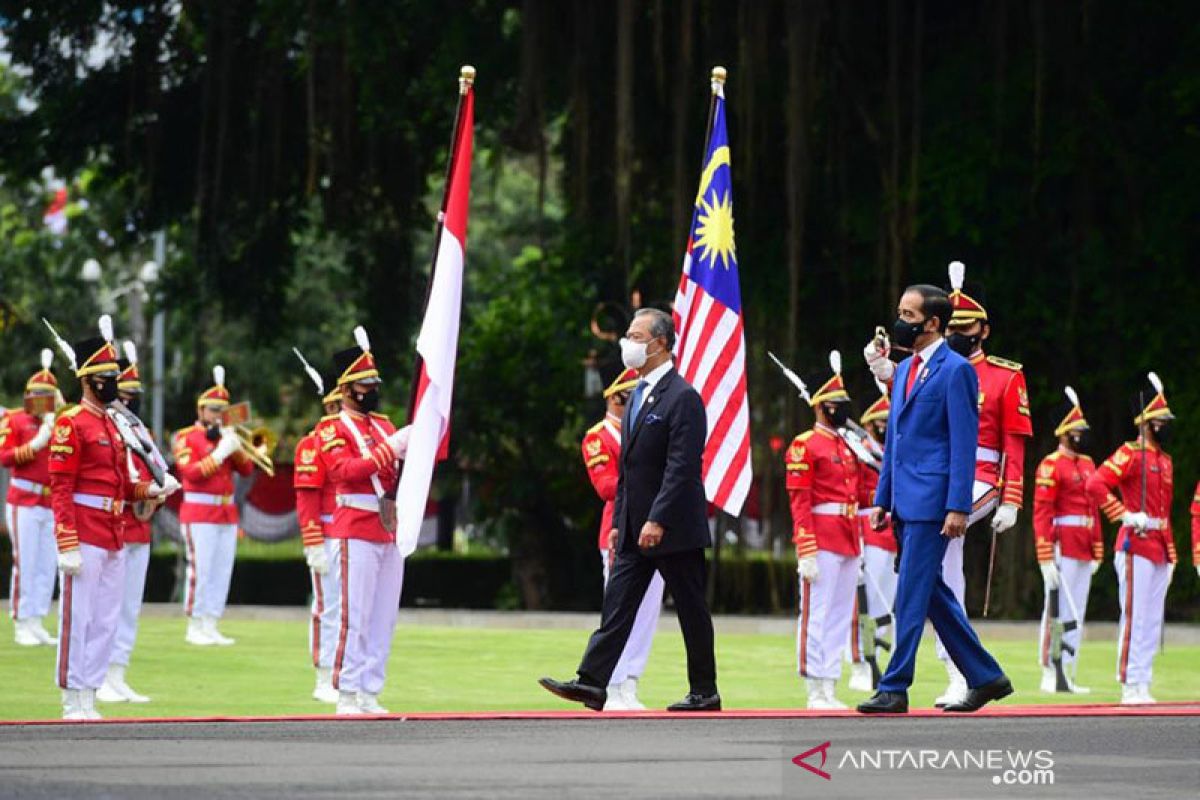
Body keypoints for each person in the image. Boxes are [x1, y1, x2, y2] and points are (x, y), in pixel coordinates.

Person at [540, 308, 719, 712]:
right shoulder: (637, 393)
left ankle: (704, 689)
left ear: (660, 344)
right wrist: (621, 521)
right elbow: (628, 469)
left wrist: (658, 518)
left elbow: (681, 467)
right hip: (634, 526)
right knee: (617, 605)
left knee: (691, 609)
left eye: (636, 336)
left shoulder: (683, 397)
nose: (628, 343)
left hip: (673, 526)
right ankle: (592, 682)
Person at [857, 285, 1011, 715]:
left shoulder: (956, 370)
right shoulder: (905, 370)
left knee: (910, 591)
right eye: (900, 311)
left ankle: (894, 686)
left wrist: (958, 506)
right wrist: (882, 498)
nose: (900, 320)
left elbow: (964, 444)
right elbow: (895, 444)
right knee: (930, 591)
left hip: (934, 500)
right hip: (905, 498)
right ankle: (985, 675)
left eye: (909, 314)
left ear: (933, 324)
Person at [48, 316, 178, 720]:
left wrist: (150, 490)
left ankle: (91, 690)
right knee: (79, 618)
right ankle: (72, 696)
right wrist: (67, 542)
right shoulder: (71, 423)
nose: (112, 382)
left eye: (113, 375)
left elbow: (121, 484)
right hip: (84, 531)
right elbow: (62, 487)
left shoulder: (113, 424)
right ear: (87, 379)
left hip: (113, 531)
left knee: (105, 619)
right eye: (104, 376)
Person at [930, 261, 1031, 706]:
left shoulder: (1006, 376)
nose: (957, 333)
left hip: (981, 478)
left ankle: (960, 671)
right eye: (952, 327)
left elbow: (1015, 443)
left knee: (944, 564)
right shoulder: (934, 369)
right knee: (937, 567)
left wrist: (1012, 499)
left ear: (983, 330)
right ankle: (957, 668)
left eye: (965, 327)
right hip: (939, 475)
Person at [315, 326, 411, 715]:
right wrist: (391, 449)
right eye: (365, 383)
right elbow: (344, 471)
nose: (373, 389)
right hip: (354, 526)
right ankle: (348, 692)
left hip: (388, 528)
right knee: (354, 615)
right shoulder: (331, 428)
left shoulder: (384, 424)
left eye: (375, 382)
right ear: (346, 390)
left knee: (384, 616)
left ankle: (371, 689)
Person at [1086, 372, 1176, 705]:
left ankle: (1144, 679)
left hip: (1160, 544)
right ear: (1148, 423)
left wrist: (1172, 553)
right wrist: (1123, 514)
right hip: (1135, 541)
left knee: (1153, 618)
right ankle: (1129, 683)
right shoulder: (1130, 453)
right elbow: (1095, 484)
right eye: (1161, 421)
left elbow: (1164, 510)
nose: (1166, 425)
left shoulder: (1164, 461)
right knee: (1134, 615)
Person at [580, 367, 665, 711]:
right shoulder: (599, 436)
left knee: (648, 610)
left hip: (655, 526)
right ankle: (613, 682)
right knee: (620, 608)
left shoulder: (644, 433)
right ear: (617, 397)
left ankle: (630, 681)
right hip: (620, 529)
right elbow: (605, 486)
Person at [785, 351, 861, 710]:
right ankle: (814, 684)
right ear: (820, 406)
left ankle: (830, 681)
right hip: (822, 537)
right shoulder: (805, 445)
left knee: (841, 613)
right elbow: (799, 502)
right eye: (835, 403)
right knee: (816, 612)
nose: (841, 409)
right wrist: (807, 548)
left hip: (848, 536)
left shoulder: (847, 445)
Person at [97, 346, 164, 704]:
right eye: (125, 395)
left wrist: (160, 489)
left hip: (140, 525)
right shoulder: (105, 427)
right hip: (113, 524)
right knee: (107, 604)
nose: (130, 402)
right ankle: (101, 673)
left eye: (135, 396)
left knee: (130, 606)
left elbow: (155, 466)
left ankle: (119, 673)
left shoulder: (141, 429)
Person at [172, 365, 256, 646]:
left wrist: (237, 448)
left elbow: (246, 471)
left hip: (226, 512)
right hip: (199, 512)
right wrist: (220, 453)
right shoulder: (187, 437)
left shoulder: (227, 436)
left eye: (221, 410)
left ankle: (211, 622)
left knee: (221, 570)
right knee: (201, 569)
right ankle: (194, 624)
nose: (217, 415)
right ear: (201, 411)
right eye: (212, 410)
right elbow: (191, 473)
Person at [1032, 386, 1104, 694]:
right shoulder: (1051, 465)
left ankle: (1068, 670)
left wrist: (1098, 547)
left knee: (1077, 611)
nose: (1080, 435)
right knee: (1058, 609)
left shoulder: (1088, 464)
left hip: (1084, 544)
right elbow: (1041, 512)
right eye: (1075, 430)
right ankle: (1051, 669)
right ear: (1063, 432)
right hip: (1061, 543)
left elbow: (1095, 507)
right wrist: (1045, 554)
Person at [0, 349, 60, 646]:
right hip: (23, 499)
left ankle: (37, 619)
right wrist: (37, 443)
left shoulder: (59, 422)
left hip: (51, 502)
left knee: (47, 564)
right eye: (38, 394)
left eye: (47, 395)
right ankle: (22, 620)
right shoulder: (14, 419)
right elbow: (4, 457)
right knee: (26, 561)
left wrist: (56, 423)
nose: (42, 400)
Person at [293, 374, 344, 704]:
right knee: (328, 607)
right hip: (327, 534)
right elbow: (307, 497)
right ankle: (324, 675)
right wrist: (312, 542)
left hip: (352, 532)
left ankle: (346, 672)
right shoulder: (312, 444)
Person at [847, 381, 896, 692]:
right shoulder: (860, 450)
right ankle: (860, 663)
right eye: (881, 423)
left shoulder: (892, 452)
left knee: (886, 605)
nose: (885, 428)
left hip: (893, 532)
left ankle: (878, 658)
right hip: (868, 528)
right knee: (864, 603)